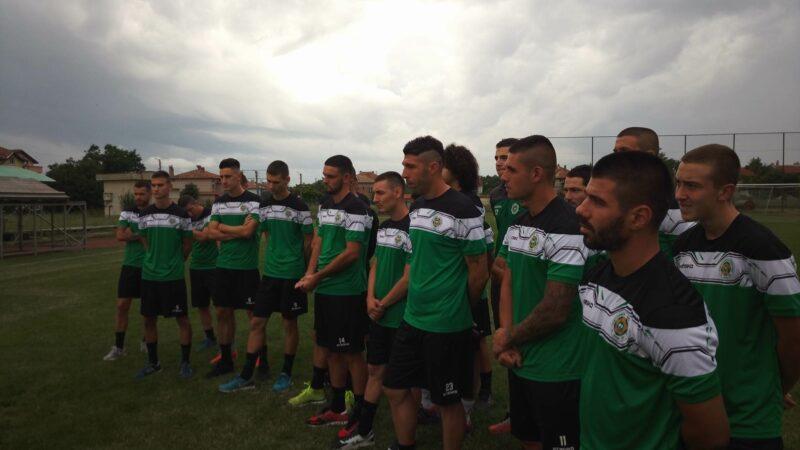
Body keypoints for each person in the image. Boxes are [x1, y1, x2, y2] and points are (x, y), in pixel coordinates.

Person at [575, 151, 729, 449]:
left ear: (639, 217)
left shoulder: (674, 314)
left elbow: (711, 434)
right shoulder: (598, 276)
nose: (581, 209)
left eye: (597, 202)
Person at [673, 144, 800, 450]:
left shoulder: (764, 249)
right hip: (693, 412)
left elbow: (794, 338)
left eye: (692, 186)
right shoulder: (682, 247)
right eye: (678, 183)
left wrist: (772, 387)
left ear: (725, 191)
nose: (679, 194)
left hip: (748, 421)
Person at [384, 136, 488, 450]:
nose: (404, 173)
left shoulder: (465, 209)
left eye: (410, 166)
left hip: (447, 324)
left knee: (447, 401)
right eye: (404, 165)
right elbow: (418, 258)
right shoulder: (417, 206)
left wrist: (459, 306)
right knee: (395, 387)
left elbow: (478, 271)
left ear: (433, 167)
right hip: (412, 317)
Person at [491, 135, 590, 450]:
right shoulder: (519, 222)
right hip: (520, 356)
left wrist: (508, 337)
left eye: (512, 170)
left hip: (557, 367)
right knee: (528, 437)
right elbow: (507, 281)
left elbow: (556, 309)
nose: (503, 176)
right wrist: (506, 334)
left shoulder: (568, 226)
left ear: (536, 174)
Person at [219, 160, 313, 393]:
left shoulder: (300, 207)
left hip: (292, 274)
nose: (271, 186)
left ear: (287, 180)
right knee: (257, 322)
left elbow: (308, 241)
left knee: (289, 323)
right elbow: (262, 233)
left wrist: (303, 269)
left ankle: (286, 373)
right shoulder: (264, 205)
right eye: (269, 181)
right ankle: (246, 375)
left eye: (276, 182)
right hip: (270, 274)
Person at [334, 171, 411, 449]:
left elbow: (410, 277)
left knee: (404, 383)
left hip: (401, 316)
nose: (374, 198)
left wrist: (384, 303)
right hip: (378, 312)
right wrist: (369, 299)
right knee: (375, 369)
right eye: (374, 192)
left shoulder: (414, 227)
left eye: (380, 192)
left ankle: (407, 436)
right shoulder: (385, 226)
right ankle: (364, 429)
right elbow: (376, 265)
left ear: (398, 192)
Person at [294, 155, 369, 427]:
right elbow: (319, 241)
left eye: (331, 176)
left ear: (347, 177)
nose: (325, 180)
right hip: (325, 289)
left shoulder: (358, 208)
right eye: (324, 175)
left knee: (351, 353)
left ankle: (360, 410)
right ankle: (337, 407)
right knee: (331, 350)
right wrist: (310, 272)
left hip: (347, 291)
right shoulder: (325, 204)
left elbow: (352, 253)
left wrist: (318, 277)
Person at [441, 143, 495, 426]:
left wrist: (475, 284)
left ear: (455, 169)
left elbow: (482, 249)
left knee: (475, 341)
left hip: (469, 288)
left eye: (443, 165)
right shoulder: (447, 198)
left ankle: (477, 396)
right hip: (452, 289)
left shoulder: (469, 204)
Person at [206, 158, 263, 377]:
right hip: (223, 266)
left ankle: (260, 357)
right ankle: (226, 359)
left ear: (238, 176)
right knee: (222, 312)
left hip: (246, 268)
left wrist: (222, 226)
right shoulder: (218, 203)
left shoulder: (254, 202)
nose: (224, 181)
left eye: (228, 176)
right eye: (221, 177)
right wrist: (237, 230)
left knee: (254, 316)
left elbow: (249, 232)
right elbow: (211, 233)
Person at [134, 171, 194, 379]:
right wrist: (153, 258)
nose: (156, 189)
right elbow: (144, 240)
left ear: (169, 187)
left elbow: (187, 244)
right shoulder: (144, 215)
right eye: (154, 185)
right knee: (148, 320)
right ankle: (153, 362)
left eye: (160, 185)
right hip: (150, 276)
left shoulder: (182, 214)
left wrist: (176, 260)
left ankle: (185, 362)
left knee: (182, 319)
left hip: (173, 276)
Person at [487, 137, 525, 435]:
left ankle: (529, 414)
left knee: (526, 339)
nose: (500, 163)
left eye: (505, 158)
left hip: (524, 275)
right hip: (500, 275)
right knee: (505, 339)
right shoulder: (497, 194)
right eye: (497, 157)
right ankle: (516, 413)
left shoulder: (525, 193)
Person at [613, 127, 694, 255]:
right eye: (615, 152)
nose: (616, 158)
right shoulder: (611, 199)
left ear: (649, 156)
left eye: (624, 151)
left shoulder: (676, 207)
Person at [103, 180, 151, 361]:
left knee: (148, 309)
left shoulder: (155, 213)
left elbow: (153, 238)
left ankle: (147, 341)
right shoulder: (127, 212)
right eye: (136, 194)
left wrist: (134, 234)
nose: (138, 197)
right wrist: (140, 236)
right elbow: (120, 235)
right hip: (130, 265)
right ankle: (118, 347)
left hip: (149, 266)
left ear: (149, 194)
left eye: (142, 194)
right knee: (122, 305)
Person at [178, 195, 218, 352]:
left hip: (213, 266)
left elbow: (203, 237)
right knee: (202, 305)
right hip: (196, 267)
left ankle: (227, 338)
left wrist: (187, 230)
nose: (189, 214)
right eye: (186, 212)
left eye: (190, 210)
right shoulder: (187, 219)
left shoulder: (210, 215)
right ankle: (210, 337)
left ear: (196, 204)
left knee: (221, 306)